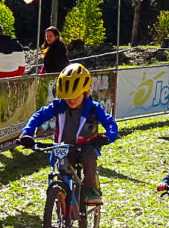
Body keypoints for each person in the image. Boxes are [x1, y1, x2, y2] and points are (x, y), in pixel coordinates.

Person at [19, 63, 116, 205]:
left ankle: (90, 189)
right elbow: (38, 116)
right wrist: (27, 134)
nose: (71, 100)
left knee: (90, 158)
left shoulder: (94, 108)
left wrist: (107, 137)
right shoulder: (59, 105)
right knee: (61, 173)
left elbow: (110, 123)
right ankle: (62, 201)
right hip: (63, 148)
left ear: (86, 92)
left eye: (75, 96)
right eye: (67, 97)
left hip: (86, 146)